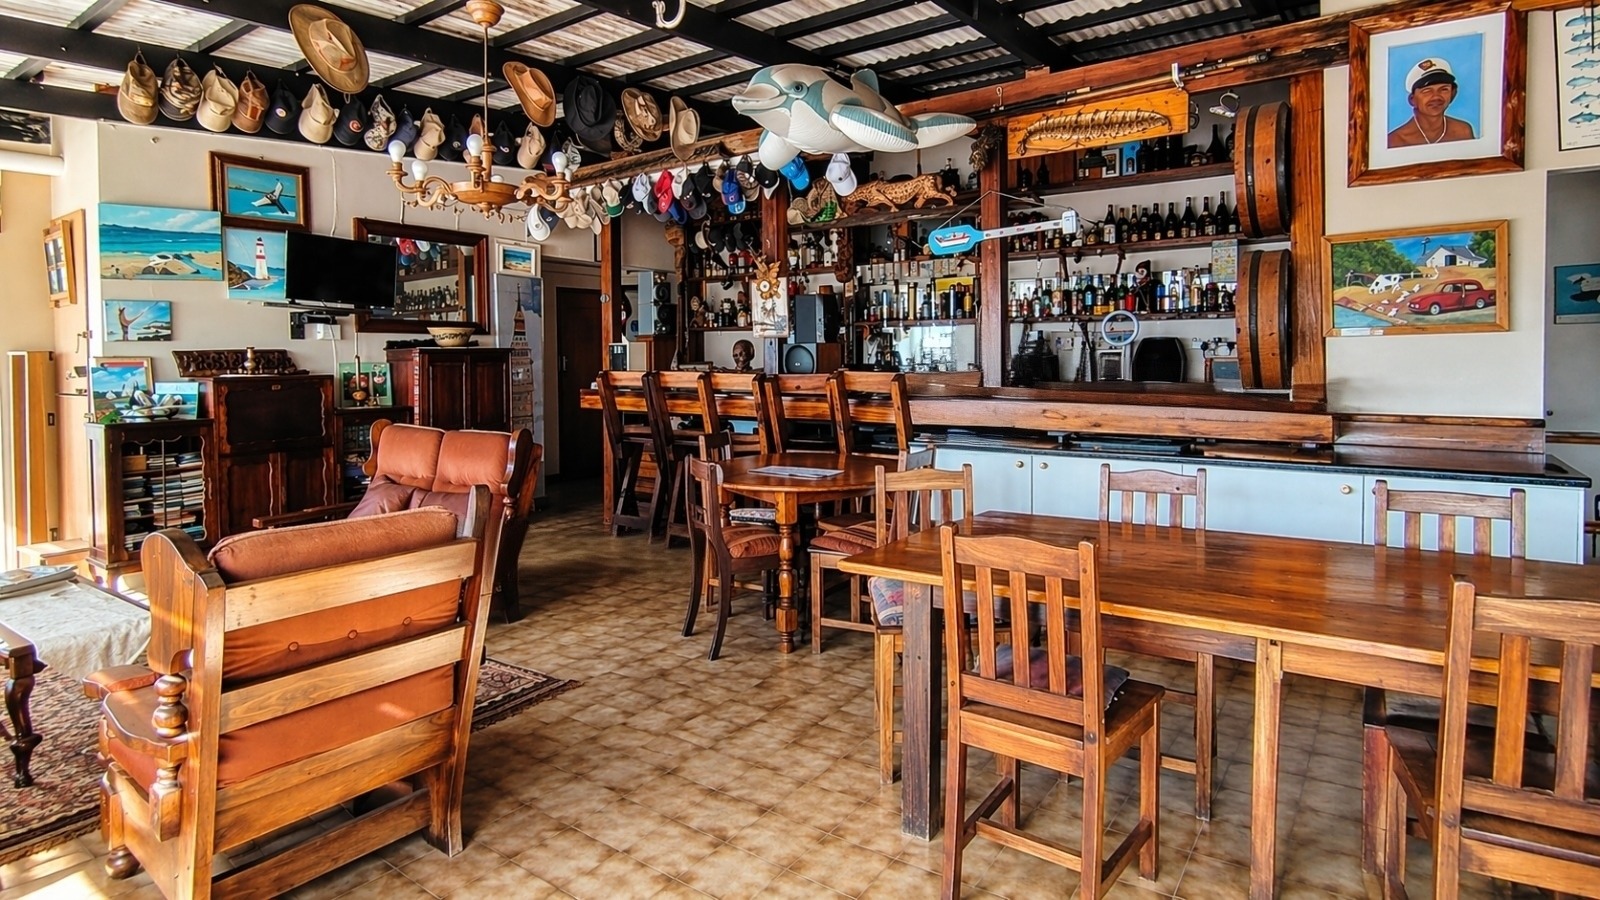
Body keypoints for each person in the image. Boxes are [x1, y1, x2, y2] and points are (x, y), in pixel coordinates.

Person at [1386, 56, 1475, 148]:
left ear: (1453, 94)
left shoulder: (1463, 131)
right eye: (1427, 91)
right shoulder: (1395, 140)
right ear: (1412, 99)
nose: (1436, 96)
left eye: (1444, 89)